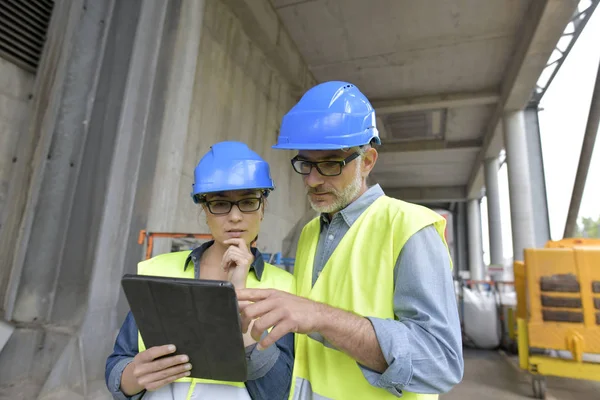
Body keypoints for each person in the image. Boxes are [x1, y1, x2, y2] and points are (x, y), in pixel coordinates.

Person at [237, 81, 464, 399]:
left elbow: (440, 364)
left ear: (367, 161)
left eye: (330, 164)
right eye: (305, 164)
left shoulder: (410, 228)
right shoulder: (310, 232)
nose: (313, 180)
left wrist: (320, 316)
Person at [105, 141, 295, 400]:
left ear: (263, 208)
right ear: (204, 209)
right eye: (220, 204)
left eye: (248, 202)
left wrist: (239, 299)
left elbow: (276, 392)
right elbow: (118, 365)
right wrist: (133, 377)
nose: (235, 217)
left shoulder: (285, 287)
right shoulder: (160, 271)